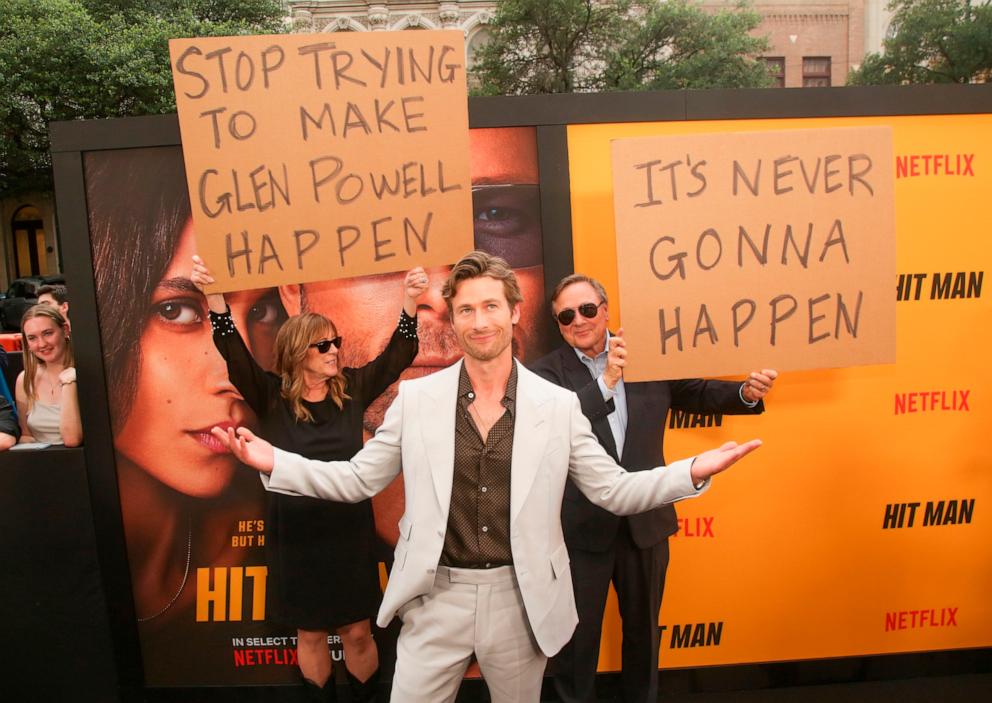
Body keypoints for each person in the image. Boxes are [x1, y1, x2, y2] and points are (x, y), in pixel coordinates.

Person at [212, 251, 762, 703]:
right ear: (453, 319)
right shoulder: (417, 399)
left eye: (492, 306)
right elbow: (357, 479)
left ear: (515, 311)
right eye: (467, 309)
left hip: (520, 601)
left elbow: (613, 488)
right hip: (436, 597)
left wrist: (690, 472)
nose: (481, 321)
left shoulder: (558, 403)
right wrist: (273, 463)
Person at [278, 126, 554, 548]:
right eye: (375, 232)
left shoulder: (561, 412)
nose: (439, 297)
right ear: (292, 290)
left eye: (494, 216)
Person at [86, 146, 289, 684]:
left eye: (264, 312)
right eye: (176, 310)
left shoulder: (277, 534)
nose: (236, 371)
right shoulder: (49, 559)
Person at [529, 274, 778, 703]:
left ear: (605, 310)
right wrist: (605, 380)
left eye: (587, 309)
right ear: (559, 324)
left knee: (644, 636)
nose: (579, 320)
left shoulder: (646, 357)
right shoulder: (545, 374)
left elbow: (695, 392)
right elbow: (554, 427)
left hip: (645, 525)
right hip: (580, 531)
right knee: (575, 643)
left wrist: (745, 392)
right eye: (566, 315)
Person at [191, 257, 428, 702]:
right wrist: (214, 298)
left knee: (358, 632)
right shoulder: (270, 396)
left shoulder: (353, 389)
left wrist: (410, 301)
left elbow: (399, 355)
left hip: (347, 533)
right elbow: (233, 352)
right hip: (296, 537)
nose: (335, 351)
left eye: (335, 342)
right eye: (324, 346)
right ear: (298, 353)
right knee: (312, 634)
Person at [15, 305, 82, 446]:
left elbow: (72, 439)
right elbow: (26, 436)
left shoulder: (86, 373)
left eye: (47, 333)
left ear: (65, 330)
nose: (42, 344)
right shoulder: (25, 379)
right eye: (32, 338)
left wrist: (69, 383)